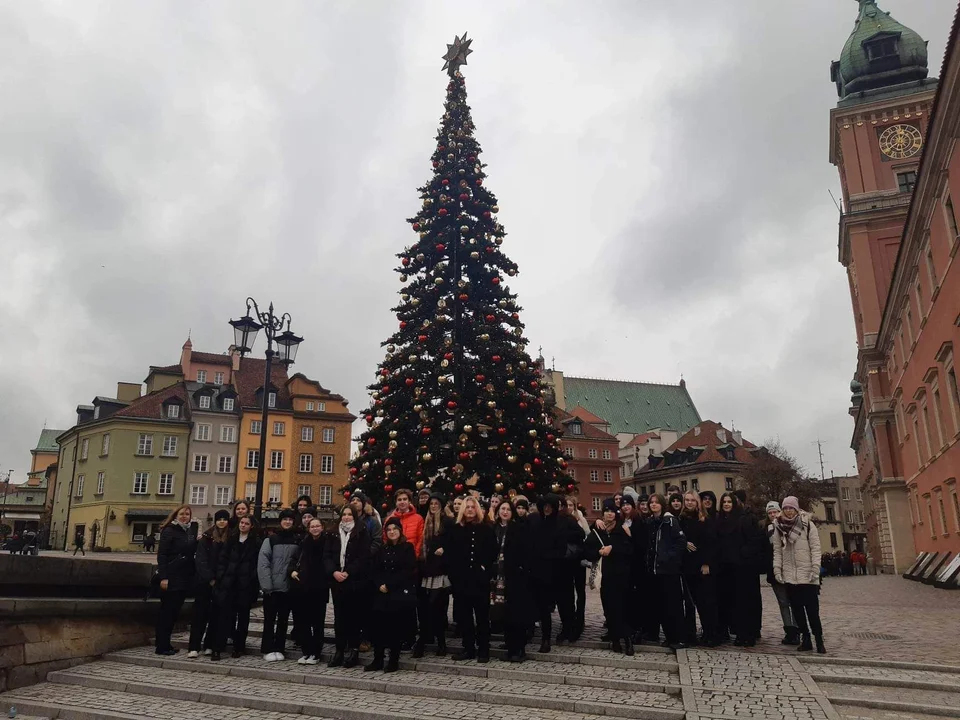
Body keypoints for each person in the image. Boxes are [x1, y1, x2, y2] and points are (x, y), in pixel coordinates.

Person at [527, 493, 580, 652]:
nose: (547, 509)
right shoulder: (535, 520)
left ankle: (567, 630)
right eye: (545, 506)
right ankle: (545, 639)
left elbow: (576, 536)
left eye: (550, 506)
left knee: (564, 604)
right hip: (540, 570)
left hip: (559, 570)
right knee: (543, 607)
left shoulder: (564, 521)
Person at [773, 496, 826, 654]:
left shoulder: (807, 525)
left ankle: (819, 639)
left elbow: (816, 548)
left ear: (796, 509)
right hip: (790, 575)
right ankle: (806, 638)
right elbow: (777, 551)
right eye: (786, 508)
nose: (788, 511)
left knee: (812, 611)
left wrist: (815, 568)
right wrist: (777, 569)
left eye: (791, 508)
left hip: (807, 575)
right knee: (797, 611)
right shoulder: (778, 527)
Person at [447, 496, 496, 662]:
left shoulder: (486, 529)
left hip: (480, 581)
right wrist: (454, 577)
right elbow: (450, 555)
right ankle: (468, 648)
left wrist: (485, 569)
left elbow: (492, 553)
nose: (469, 510)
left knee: (482, 617)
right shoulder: (455, 530)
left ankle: (484, 649)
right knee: (465, 617)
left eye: (472, 507)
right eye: (467, 507)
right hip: (462, 581)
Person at [365, 517, 417, 673]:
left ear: (400, 531)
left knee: (395, 629)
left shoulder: (407, 547)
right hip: (381, 592)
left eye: (394, 529)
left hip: (398, 592)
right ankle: (378, 659)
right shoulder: (382, 549)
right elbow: (375, 570)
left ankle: (393, 660)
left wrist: (390, 585)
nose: (391, 532)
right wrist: (380, 584)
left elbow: (408, 571)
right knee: (378, 628)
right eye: (388, 529)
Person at [324, 504, 371, 668]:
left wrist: (348, 572)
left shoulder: (361, 532)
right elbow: (327, 555)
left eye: (349, 515)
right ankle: (339, 650)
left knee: (354, 618)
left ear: (354, 516)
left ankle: (353, 650)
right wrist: (334, 572)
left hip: (354, 580)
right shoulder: (332, 532)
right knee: (339, 618)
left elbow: (363, 556)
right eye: (344, 514)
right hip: (337, 581)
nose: (346, 517)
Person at [586, 499, 634, 655]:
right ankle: (614, 639)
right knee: (609, 608)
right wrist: (598, 552)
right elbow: (587, 550)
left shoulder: (622, 529)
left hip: (621, 575)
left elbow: (629, 550)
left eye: (612, 511)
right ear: (603, 513)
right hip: (605, 576)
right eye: (607, 511)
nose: (609, 514)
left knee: (623, 607)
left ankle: (627, 639)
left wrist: (612, 548)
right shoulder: (597, 529)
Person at [492, 499, 533, 662]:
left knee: (517, 614)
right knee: (504, 614)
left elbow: (526, 552)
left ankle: (519, 649)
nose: (505, 512)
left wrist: (521, 569)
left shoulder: (518, 529)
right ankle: (509, 647)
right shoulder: (493, 528)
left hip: (515, 576)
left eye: (508, 509)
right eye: (502, 509)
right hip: (497, 577)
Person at [257, 508, 300, 662]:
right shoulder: (271, 539)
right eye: (285, 519)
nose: (287, 522)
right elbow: (263, 563)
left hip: (288, 587)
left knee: (283, 620)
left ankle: (279, 648)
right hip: (272, 587)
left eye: (290, 519)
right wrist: (266, 585)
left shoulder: (297, 539)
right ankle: (268, 648)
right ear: (280, 521)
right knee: (269, 619)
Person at [154, 505, 197, 656]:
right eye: (182, 514)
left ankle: (166, 644)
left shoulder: (189, 531)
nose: (184, 516)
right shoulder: (169, 531)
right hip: (171, 577)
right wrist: (164, 577)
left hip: (183, 578)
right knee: (167, 613)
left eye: (187, 514)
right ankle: (161, 646)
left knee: (173, 613)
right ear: (175, 515)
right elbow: (162, 555)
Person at [188, 509, 230, 660]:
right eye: (219, 519)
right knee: (199, 615)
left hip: (221, 583)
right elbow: (200, 560)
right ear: (215, 521)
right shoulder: (206, 537)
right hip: (204, 582)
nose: (222, 522)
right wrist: (210, 578)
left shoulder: (230, 537)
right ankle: (194, 646)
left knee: (216, 616)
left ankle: (209, 645)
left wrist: (220, 579)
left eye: (225, 519)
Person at [216, 514, 260, 657]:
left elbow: (256, 564)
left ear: (251, 526)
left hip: (245, 585)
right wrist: (222, 576)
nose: (243, 525)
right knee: (225, 616)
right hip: (229, 583)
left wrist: (252, 579)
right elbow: (222, 559)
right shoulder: (231, 540)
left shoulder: (255, 542)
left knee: (243, 618)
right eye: (242, 523)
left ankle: (239, 646)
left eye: (246, 523)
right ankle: (220, 646)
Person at [415, 494, 453, 658]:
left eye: (436, 503)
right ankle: (427, 640)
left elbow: (454, 542)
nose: (433, 506)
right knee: (426, 609)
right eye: (431, 504)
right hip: (427, 570)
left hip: (441, 571)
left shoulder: (447, 522)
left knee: (436, 608)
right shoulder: (426, 521)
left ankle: (440, 643)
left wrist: (445, 550)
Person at [680, 491, 719, 646]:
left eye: (692, 500)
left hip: (701, 565)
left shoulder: (705, 520)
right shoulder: (681, 519)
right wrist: (684, 543)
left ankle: (711, 634)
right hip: (686, 566)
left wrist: (706, 563)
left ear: (697, 502)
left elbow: (711, 543)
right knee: (690, 604)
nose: (689, 503)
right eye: (687, 500)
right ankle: (691, 635)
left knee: (706, 603)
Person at [648, 493, 686, 650]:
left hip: (669, 570)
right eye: (652, 502)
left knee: (674, 606)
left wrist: (667, 557)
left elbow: (680, 543)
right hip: (656, 571)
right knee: (662, 606)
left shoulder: (669, 521)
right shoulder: (651, 521)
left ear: (662, 504)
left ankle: (679, 638)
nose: (654, 505)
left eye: (657, 502)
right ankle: (670, 637)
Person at [290, 517, 329, 665]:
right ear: (308, 528)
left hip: (320, 586)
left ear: (322, 527)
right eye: (312, 526)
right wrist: (292, 571)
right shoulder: (304, 542)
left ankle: (316, 653)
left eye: (317, 526)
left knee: (318, 622)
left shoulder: (327, 542)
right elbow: (294, 559)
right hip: (304, 585)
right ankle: (306, 651)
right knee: (304, 621)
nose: (315, 528)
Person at [765, 501, 799, 646]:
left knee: (794, 601)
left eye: (775, 512)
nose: (773, 515)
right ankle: (789, 630)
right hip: (775, 571)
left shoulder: (790, 526)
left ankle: (798, 630)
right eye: (770, 513)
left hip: (790, 569)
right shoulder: (767, 529)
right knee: (783, 602)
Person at [565, 496, 590, 639]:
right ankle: (570, 620)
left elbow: (587, 535)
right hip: (567, 561)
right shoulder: (561, 519)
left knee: (580, 591)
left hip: (579, 560)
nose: (568, 507)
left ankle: (580, 619)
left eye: (571, 505)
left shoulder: (580, 518)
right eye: (566, 504)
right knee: (568, 591)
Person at [384, 488, 425, 558]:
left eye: (405, 499)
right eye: (399, 500)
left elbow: (420, 540)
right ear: (396, 502)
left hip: (412, 558)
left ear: (409, 501)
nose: (402, 502)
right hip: (393, 558)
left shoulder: (418, 519)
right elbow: (385, 538)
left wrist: (414, 556)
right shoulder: (389, 519)